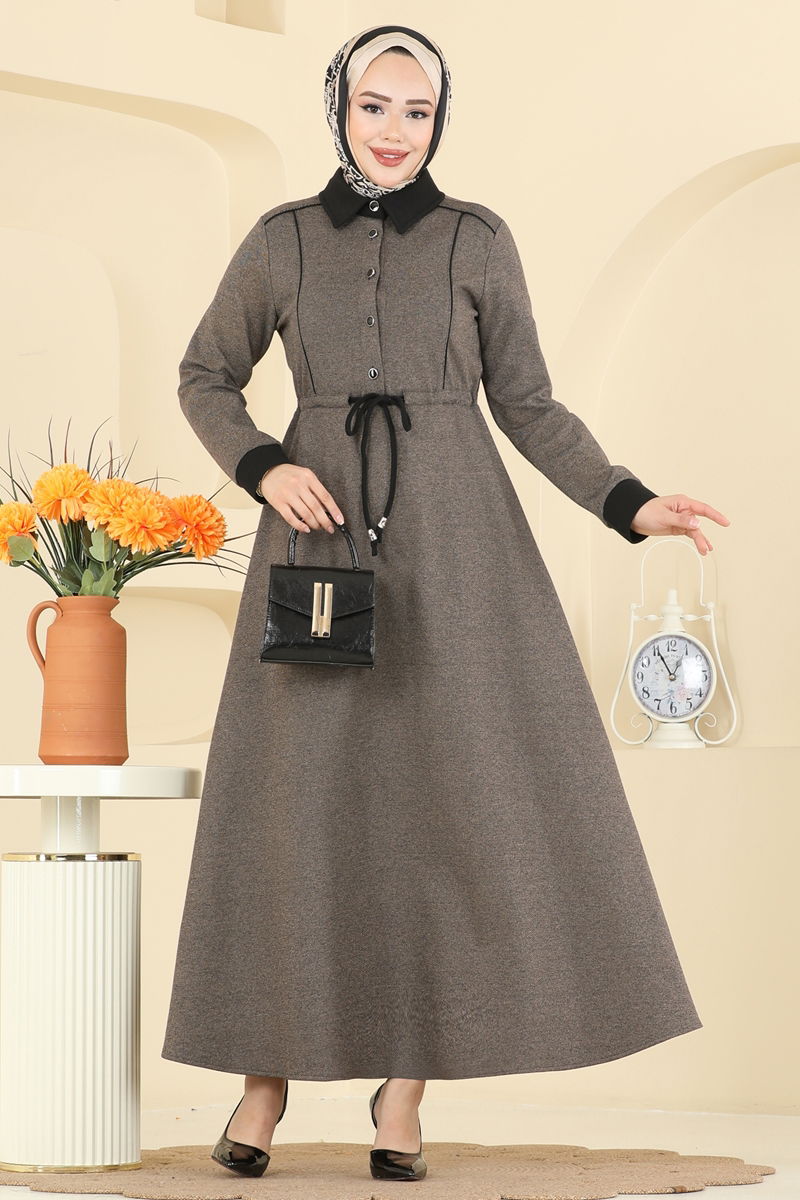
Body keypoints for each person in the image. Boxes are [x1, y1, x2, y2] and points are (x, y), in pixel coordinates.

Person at [161, 23, 730, 1183]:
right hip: (316, 544)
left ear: (439, 121)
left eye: (415, 111)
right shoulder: (280, 240)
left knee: (442, 811)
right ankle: (263, 1080)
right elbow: (204, 375)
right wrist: (264, 465)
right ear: (339, 108)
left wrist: (628, 502)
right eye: (374, 106)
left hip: (460, 554)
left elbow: (526, 402)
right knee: (294, 808)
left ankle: (404, 1088)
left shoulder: (477, 239)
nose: (393, 130)